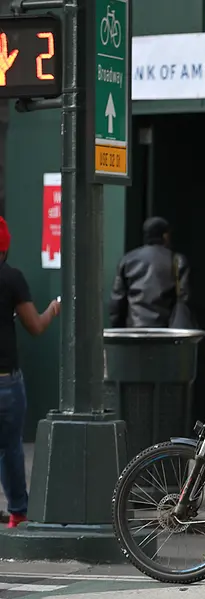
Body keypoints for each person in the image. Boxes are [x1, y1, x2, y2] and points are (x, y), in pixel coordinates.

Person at [0, 217, 60, 528]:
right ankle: (18, 513)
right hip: (5, 381)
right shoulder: (11, 278)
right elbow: (35, 326)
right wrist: (52, 308)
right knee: (10, 448)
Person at [109, 216, 192, 328]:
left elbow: (117, 300)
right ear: (165, 235)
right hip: (166, 331)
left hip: (135, 329)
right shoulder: (177, 260)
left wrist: (117, 327)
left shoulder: (127, 260)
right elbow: (184, 297)